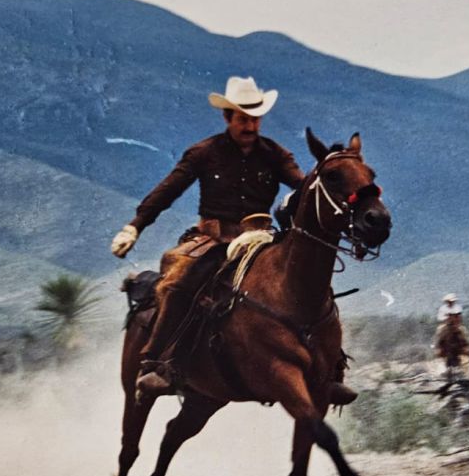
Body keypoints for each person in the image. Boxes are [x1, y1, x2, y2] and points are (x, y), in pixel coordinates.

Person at [110, 76, 356, 405]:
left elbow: (303, 185)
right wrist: (135, 226)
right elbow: (168, 190)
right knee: (181, 283)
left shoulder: (275, 154)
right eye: (243, 118)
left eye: (255, 118)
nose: (250, 125)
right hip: (210, 239)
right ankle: (156, 363)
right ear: (228, 118)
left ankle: (329, 373)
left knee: (309, 284)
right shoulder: (204, 152)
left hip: (258, 240)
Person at [435, 293, 469, 374]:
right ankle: (438, 347)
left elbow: (460, 316)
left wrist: (456, 320)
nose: (451, 302)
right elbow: (439, 317)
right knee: (439, 330)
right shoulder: (443, 308)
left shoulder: (458, 307)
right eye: (449, 301)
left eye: (452, 301)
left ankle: (466, 346)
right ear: (447, 301)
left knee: (463, 330)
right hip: (446, 323)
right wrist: (447, 318)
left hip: (456, 323)